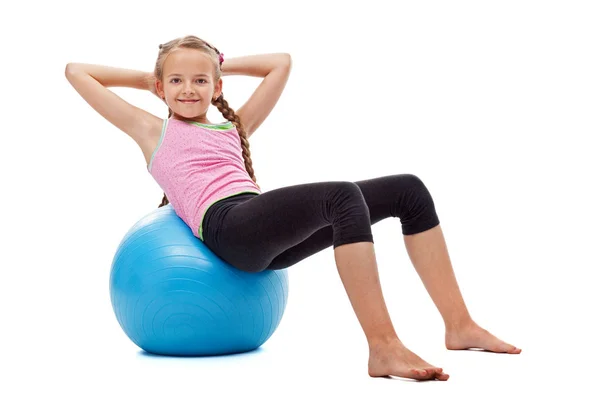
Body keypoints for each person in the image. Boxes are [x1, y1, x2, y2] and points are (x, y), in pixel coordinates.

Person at [65, 34, 520, 381]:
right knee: (341, 195)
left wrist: (214, 58)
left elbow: (280, 64)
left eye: (201, 80)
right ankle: (383, 347)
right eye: (177, 81)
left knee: (408, 190)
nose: (189, 90)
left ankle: (460, 325)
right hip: (228, 230)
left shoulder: (234, 127)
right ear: (161, 88)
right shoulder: (150, 130)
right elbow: (76, 71)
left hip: (259, 230)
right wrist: (148, 78)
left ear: (216, 85)